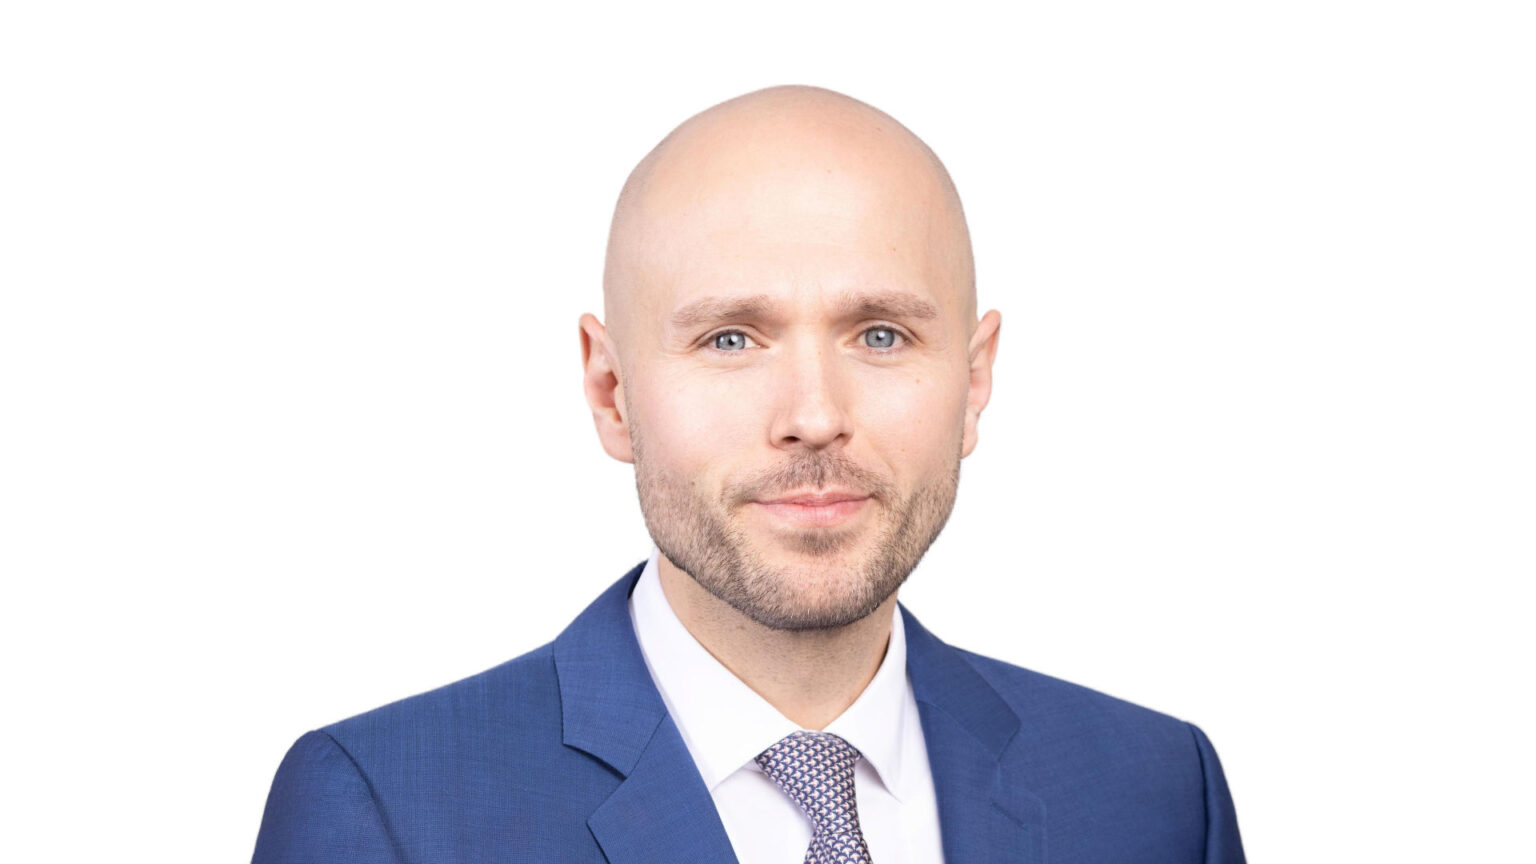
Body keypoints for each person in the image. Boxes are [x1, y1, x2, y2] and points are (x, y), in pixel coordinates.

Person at [251, 84, 1246, 864]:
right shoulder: (387, 812)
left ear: (974, 381)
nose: (812, 415)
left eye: (881, 334)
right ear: (611, 391)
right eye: (730, 338)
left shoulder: (1154, 796)